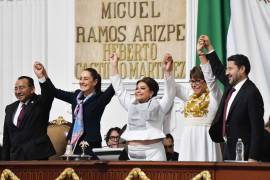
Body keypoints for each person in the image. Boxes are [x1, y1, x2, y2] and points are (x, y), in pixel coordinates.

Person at [199, 35, 264, 161]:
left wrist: (253, 158)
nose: (227, 72)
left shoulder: (251, 93)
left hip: (244, 154)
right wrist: (209, 48)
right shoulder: (231, 85)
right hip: (229, 149)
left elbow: (257, 129)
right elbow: (218, 70)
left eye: (230, 68)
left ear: (242, 69)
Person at [33, 62, 115, 157]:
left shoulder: (100, 98)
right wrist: (42, 76)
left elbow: (113, 87)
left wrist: (114, 66)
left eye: (86, 79)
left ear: (95, 82)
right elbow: (54, 92)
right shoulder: (76, 96)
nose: (82, 81)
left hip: (91, 145)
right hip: (73, 145)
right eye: (80, 79)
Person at [109, 53, 176, 161]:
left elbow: (170, 93)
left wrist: (167, 71)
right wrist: (114, 66)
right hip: (132, 154)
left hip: (154, 153)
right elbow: (119, 90)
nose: (138, 90)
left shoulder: (160, 106)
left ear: (151, 92)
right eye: (137, 88)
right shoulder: (131, 104)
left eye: (142, 88)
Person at [175, 41, 222, 161]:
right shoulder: (189, 95)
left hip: (206, 138)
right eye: (192, 81)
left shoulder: (214, 95)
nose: (194, 85)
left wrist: (201, 53)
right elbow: (172, 87)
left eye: (197, 81)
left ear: (205, 81)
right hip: (189, 139)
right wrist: (168, 71)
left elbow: (210, 78)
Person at [2, 68, 56, 160]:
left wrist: (41, 77)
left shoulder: (40, 103)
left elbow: (49, 93)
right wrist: (4, 162)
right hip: (15, 158)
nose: (18, 92)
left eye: (22, 88)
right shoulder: (10, 108)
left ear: (32, 89)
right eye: (16, 88)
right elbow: (6, 137)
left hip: (37, 157)